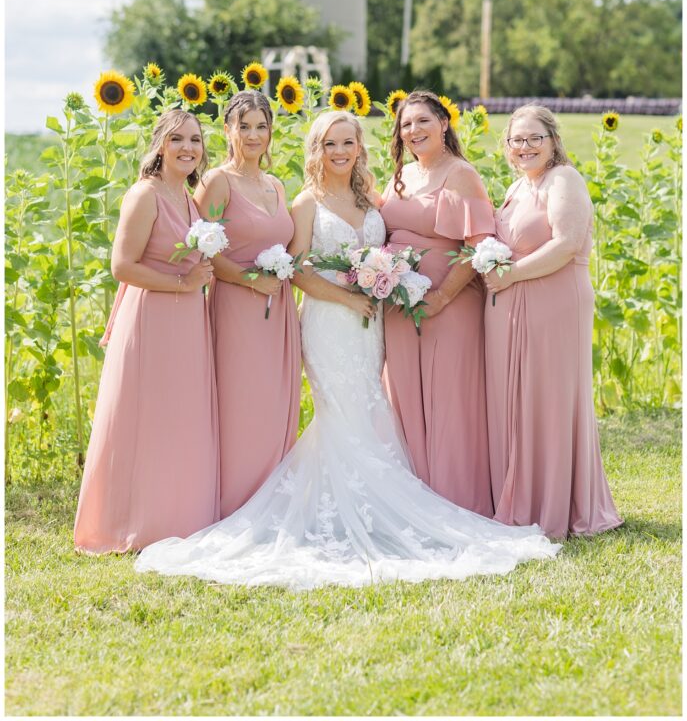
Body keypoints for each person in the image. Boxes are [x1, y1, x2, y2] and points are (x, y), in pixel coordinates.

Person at [135, 111, 560, 589]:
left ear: (360, 148)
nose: (340, 152)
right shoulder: (306, 202)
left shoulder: (369, 198)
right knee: (342, 413)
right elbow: (297, 270)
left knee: (370, 408)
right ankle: (351, 507)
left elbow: (395, 241)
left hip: (370, 324)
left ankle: (376, 505)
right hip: (331, 323)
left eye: (347, 143)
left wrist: (385, 278)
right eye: (329, 144)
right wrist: (348, 297)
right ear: (316, 150)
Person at [74, 110, 219, 552]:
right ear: (160, 144)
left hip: (187, 320)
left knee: (177, 418)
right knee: (146, 416)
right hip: (152, 317)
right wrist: (183, 282)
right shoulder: (145, 194)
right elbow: (122, 266)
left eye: (195, 140)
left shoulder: (191, 200)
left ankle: (176, 517)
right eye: (177, 139)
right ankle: (128, 523)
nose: (188, 148)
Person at [484, 104, 622, 538]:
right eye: (516, 140)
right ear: (506, 146)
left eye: (533, 138)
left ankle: (557, 504)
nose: (524, 146)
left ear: (552, 140)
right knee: (521, 399)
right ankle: (522, 494)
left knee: (550, 398)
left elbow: (566, 244)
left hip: (555, 304)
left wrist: (509, 275)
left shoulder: (564, 179)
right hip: (515, 304)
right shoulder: (519, 186)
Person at [380, 92, 495, 515]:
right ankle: (414, 505)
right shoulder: (400, 175)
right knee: (404, 402)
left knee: (450, 403)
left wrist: (441, 297)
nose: (414, 131)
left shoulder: (462, 175)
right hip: (397, 306)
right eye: (406, 124)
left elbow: (480, 248)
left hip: (450, 305)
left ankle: (457, 504)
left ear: (444, 123)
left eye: (423, 121)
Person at [194, 90, 301, 518]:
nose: (253, 135)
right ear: (227, 130)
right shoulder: (217, 182)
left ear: (271, 132)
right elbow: (199, 246)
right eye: (244, 126)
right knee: (242, 406)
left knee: (276, 405)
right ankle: (235, 504)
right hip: (237, 308)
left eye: (261, 126)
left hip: (279, 314)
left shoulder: (274, 184)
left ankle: (273, 503)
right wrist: (248, 281)